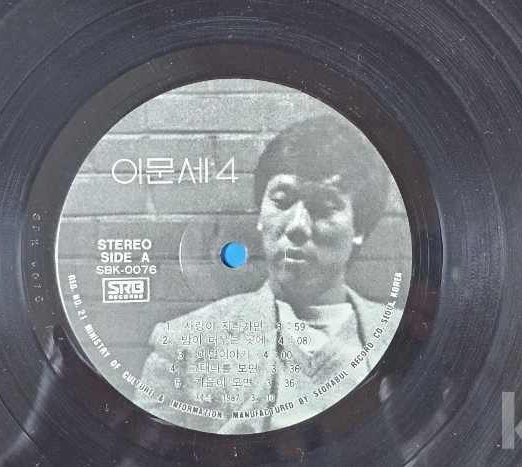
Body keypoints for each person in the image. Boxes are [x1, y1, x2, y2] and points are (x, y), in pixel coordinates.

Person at [135, 115, 397, 434]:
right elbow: (146, 451)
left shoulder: (402, 338)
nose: (297, 225)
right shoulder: (182, 345)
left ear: (360, 228)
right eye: (282, 201)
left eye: (323, 207)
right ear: (260, 214)